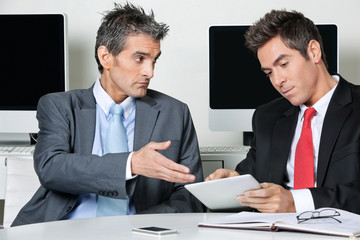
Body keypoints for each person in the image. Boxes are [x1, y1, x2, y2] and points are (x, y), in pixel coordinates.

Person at [12, 3, 204, 226]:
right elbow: (51, 168)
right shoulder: (59, 106)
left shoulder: (174, 112)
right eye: (139, 58)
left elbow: (190, 196)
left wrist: (133, 225)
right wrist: (130, 164)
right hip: (62, 227)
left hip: (138, 231)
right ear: (106, 57)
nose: (150, 72)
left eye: (154, 60)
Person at [206, 9, 360, 214]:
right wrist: (236, 184)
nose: (278, 81)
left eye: (284, 64)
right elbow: (255, 176)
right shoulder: (267, 117)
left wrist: (295, 202)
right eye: (269, 72)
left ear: (313, 52)